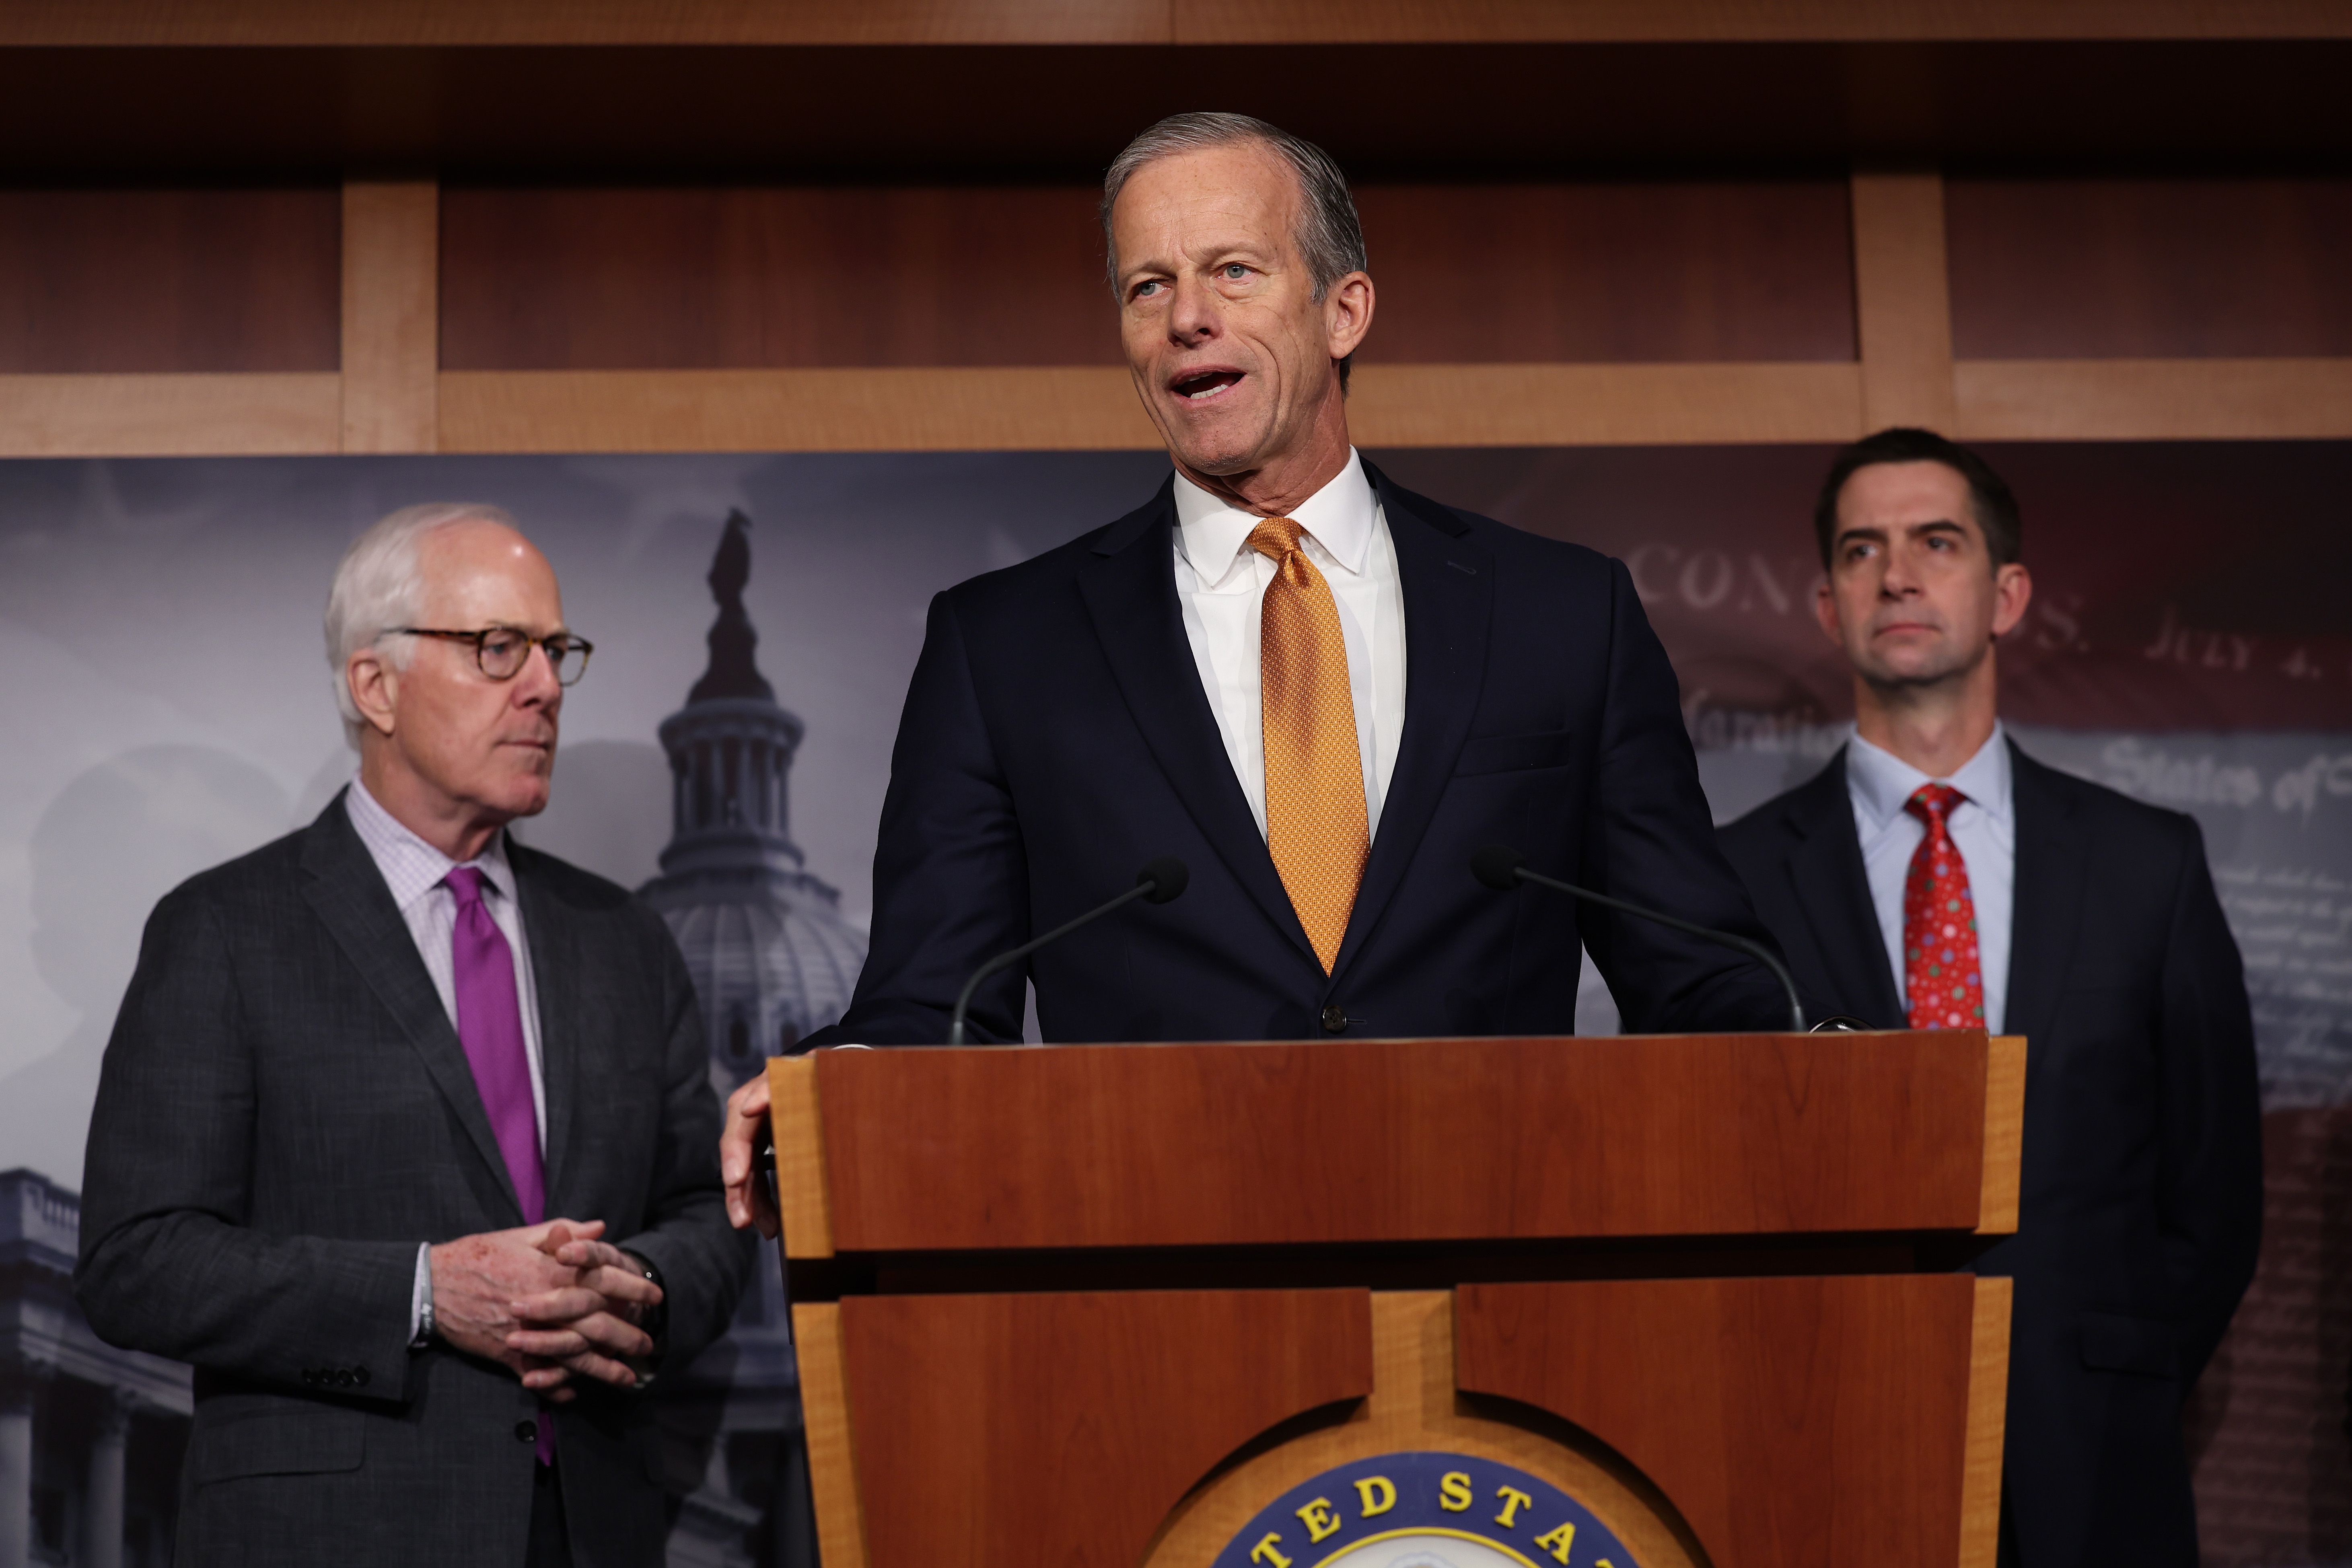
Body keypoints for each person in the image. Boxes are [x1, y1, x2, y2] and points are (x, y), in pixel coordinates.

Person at [719, 111, 1792, 1230]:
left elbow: (1699, 970)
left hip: (1500, 1276)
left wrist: (1829, 1064)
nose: (1188, 318)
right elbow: (933, 1011)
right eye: (1148, 286)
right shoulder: (1003, 646)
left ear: (1344, 310)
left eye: (1233, 270)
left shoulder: (1563, 614)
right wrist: (832, 1089)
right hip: (1161, 1302)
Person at [76, 504, 753, 1568]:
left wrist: (641, 1290)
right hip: (336, 1537)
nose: (541, 687)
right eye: (497, 649)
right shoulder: (224, 930)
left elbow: (705, 1210)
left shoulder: (624, 938)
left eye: (554, 651)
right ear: (374, 685)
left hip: (593, 1529)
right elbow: (138, 1260)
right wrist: (427, 1293)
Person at [1716, 429, 2262, 1567]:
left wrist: (2119, 1365)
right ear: (1828, 606)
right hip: (1826, 1443)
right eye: (1862, 551)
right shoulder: (1736, 879)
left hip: (2100, 1454)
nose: (1898, 574)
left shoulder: (2148, 864)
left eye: (1937, 542)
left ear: (2008, 593)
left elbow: (2213, 1198)